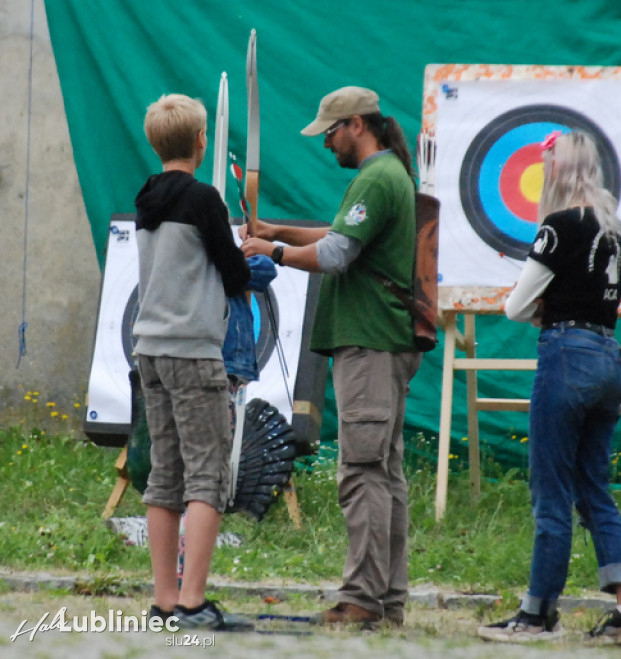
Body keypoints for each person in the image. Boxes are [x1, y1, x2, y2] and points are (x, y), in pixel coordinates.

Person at [241, 86, 421, 628]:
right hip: (381, 342)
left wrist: (271, 252)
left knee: (362, 472)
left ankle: (363, 599)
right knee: (384, 474)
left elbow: (337, 254)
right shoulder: (388, 176)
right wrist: (277, 231)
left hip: (369, 343)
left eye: (330, 132)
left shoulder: (376, 178)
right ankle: (385, 602)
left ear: (357, 126)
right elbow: (342, 235)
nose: (325, 143)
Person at [477, 131, 621, 645]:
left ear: (556, 172)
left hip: (567, 357)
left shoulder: (557, 226)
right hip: (609, 358)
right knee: (593, 488)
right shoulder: (614, 227)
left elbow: (516, 307)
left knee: (551, 491)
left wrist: (541, 306)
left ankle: (538, 614)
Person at [133, 93, 253, 630]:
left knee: (165, 474)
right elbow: (233, 272)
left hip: (150, 349)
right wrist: (246, 252)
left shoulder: (146, 195)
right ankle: (193, 601)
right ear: (201, 142)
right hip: (192, 350)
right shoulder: (205, 198)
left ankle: (164, 600)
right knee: (208, 476)